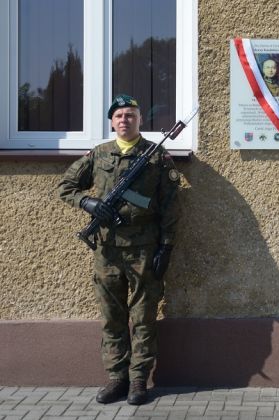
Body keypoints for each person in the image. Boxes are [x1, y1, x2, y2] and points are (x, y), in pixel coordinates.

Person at [58, 94, 181, 405]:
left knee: (143, 316)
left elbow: (169, 206)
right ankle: (117, 378)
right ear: (111, 122)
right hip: (107, 250)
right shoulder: (99, 155)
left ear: (139, 120)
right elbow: (66, 187)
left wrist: (166, 247)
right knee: (112, 316)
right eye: (119, 116)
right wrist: (88, 202)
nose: (124, 120)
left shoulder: (155, 156)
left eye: (130, 115)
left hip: (143, 249)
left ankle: (139, 380)